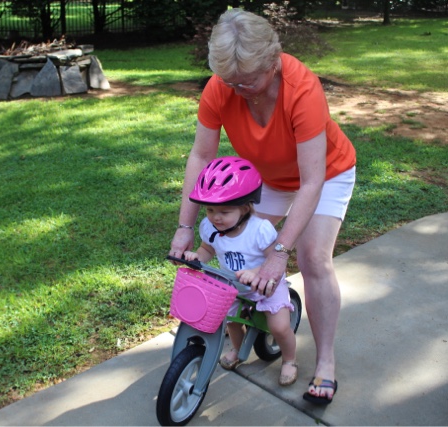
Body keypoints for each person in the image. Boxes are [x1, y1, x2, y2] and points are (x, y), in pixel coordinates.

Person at [169, 8, 356, 405]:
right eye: (230, 81)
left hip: (325, 174)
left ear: (273, 61)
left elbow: (311, 181)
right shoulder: (221, 88)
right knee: (230, 242)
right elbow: (201, 156)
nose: (238, 90)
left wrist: (280, 252)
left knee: (312, 258)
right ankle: (251, 321)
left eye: (248, 81)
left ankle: (325, 361)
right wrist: (185, 228)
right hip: (268, 179)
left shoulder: (302, 88)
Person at [182, 156, 298, 386]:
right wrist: (198, 256)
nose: (216, 217)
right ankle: (237, 349)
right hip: (233, 286)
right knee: (231, 322)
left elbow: (274, 261)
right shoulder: (210, 227)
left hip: (266, 285)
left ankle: (289, 360)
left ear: (245, 208)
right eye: (210, 210)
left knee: (279, 326)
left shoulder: (260, 230)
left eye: (224, 212)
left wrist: (256, 272)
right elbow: (208, 248)